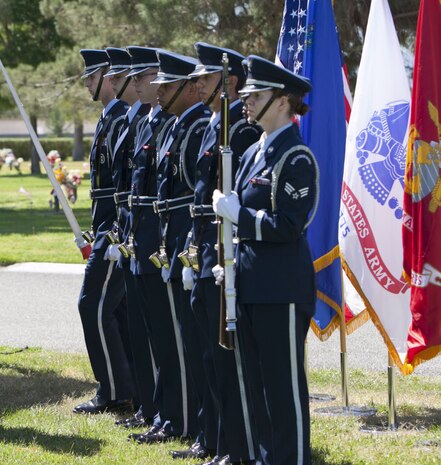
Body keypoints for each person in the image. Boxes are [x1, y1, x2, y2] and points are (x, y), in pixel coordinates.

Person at [212, 55, 318, 465]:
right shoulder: (256, 151)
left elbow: (289, 225)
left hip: (282, 288)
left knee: (283, 386)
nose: (246, 101)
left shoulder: (295, 157)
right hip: (252, 283)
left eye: (256, 95)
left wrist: (239, 214)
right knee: (254, 383)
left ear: (283, 101)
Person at [130, 49, 214, 448]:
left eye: (167, 85)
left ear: (189, 89)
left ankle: (184, 420)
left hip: (184, 235)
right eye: (158, 84)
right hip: (167, 235)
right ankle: (171, 414)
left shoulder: (197, 128)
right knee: (165, 336)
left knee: (183, 339)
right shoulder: (176, 125)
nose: (158, 92)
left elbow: (192, 193)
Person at [185, 43, 262, 465]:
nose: (196, 85)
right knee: (207, 350)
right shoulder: (211, 125)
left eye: (205, 79)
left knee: (225, 351)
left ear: (228, 82)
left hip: (224, 253)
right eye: (195, 79)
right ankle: (214, 437)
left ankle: (235, 443)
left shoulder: (241, 130)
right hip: (204, 247)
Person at [73, 49, 135, 415]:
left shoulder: (120, 121)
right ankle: (127, 388)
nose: (87, 82)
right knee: (114, 309)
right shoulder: (108, 119)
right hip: (104, 227)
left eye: (92, 75)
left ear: (111, 77)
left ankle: (112, 390)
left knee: (92, 305)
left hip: (114, 231)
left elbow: (123, 187)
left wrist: (111, 231)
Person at [103, 46, 156, 429]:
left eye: (141, 77)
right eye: (132, 78)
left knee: (153, 331)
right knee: (137, 324)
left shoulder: (144, 120)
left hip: (150, 233)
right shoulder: (135, 119)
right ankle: (144, 404)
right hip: (130, 229)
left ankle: (154, 406)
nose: (134, 84)